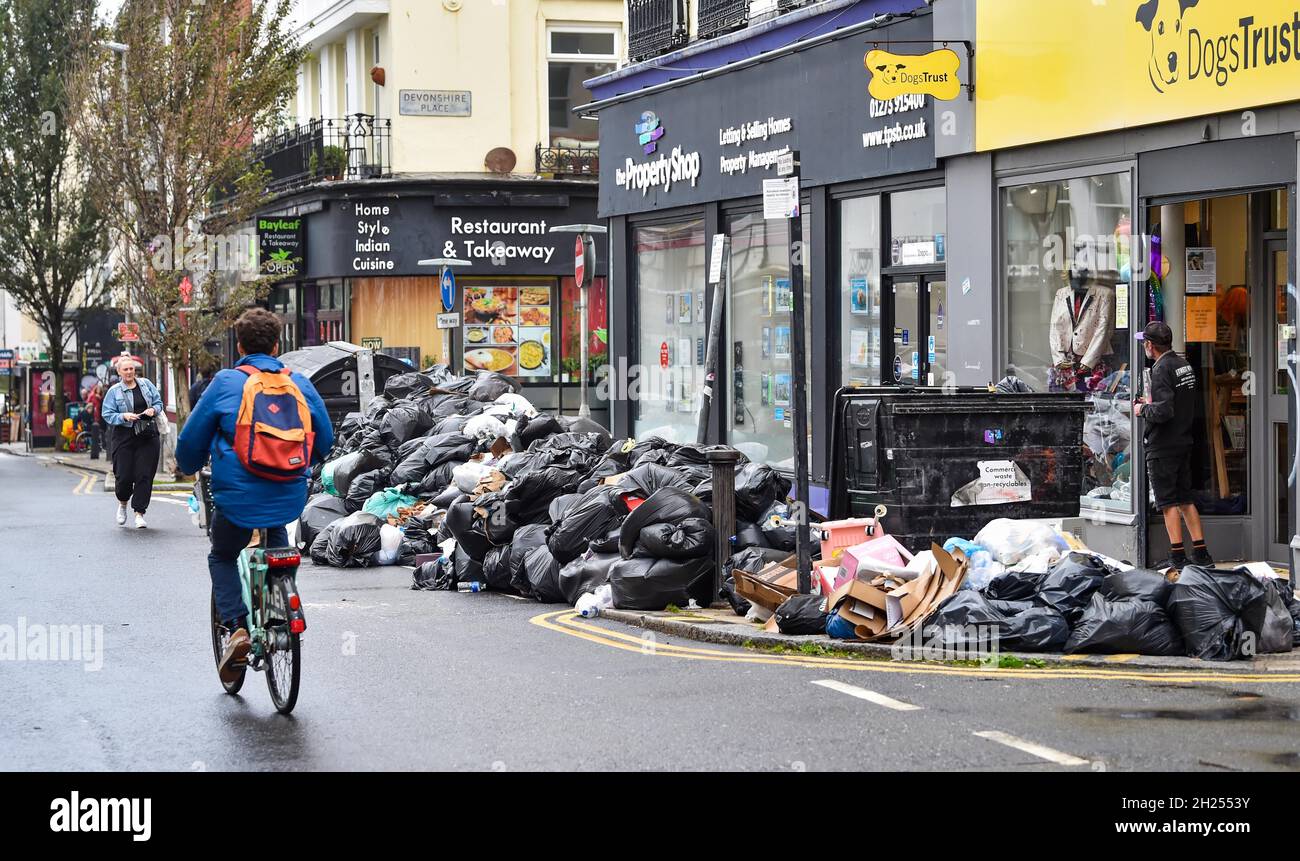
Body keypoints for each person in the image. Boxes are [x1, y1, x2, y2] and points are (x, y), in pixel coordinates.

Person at [177, 308, 333, 681]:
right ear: (278, 345)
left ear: (241, 346)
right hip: (288, 494)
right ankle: (282, 603)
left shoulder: (225, 382)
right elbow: (325, 441)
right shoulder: (299, 383)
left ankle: (237, 629)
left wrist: (191, 462)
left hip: (237, 498)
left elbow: (189, 444)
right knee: (277, 541)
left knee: (223, 554)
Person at [1134, 320, 1211, 571]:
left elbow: (1164, 411)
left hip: (1163, 445)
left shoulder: (1161, 369)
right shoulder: (1183, 364)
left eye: (1144, 342)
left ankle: (1177, 556)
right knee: (1186, 498)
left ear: (1149, 345)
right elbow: (1178, 403)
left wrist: (1142, 408)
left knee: (1168, 502)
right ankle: (1201, 553)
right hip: (1183, 441)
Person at [101, 358, 165, 529]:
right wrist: (123, 416)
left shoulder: (146, 384)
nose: (129, 372)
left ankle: (139, 513)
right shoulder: (114, 391)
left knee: (145, 475)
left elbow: (159, 403)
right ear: (119, 372)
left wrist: (153, 409)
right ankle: (123, 503)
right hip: (124, 435)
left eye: (131, 368)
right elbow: (106, 414)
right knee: (123, 476)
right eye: (126, 369)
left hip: (147, 434)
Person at [86, 381, 106, 460]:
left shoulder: (101, 397)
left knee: (101, 430)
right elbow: (88, 403)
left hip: (100, 414)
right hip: (94, 413)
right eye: (97, 389)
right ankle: (95, 447)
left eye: (99, 390)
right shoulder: (92, 396)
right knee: (95, 429)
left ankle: (100, 445)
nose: (98, 391)